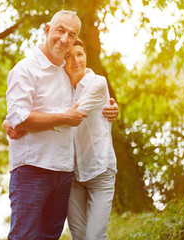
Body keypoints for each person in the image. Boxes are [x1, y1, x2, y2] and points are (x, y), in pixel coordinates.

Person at [5, 10, 119, 240]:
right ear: (47, 30)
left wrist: (112, 108)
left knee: (50, 235)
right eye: (60, 30)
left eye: (72, 34)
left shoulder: (68, 73)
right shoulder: (25, 69)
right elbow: (18, 116)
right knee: (24, 236)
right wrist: (12, 121)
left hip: (65, 172)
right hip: (32, 169)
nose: (65, 39)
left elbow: (93, 92)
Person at [65, 39, 116, 240]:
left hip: (100, 169)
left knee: (94, 236)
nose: (75, 60)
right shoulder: (61, 87)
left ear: (86, 56)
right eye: (68, 56)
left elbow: (72, 116)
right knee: (78, 236)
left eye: (79, 54)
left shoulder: (98, 83)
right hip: (73, 174)